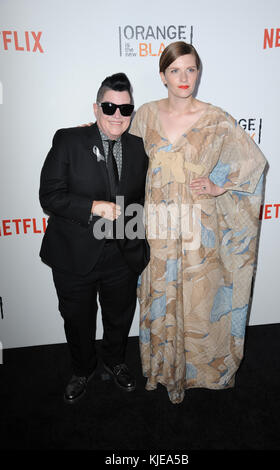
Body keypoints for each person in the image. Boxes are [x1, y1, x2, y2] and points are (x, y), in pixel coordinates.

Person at [130, 41, 266, 404]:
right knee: (161, 297)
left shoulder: (215, 118)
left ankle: (201, 372)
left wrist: (220, 186)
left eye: (191, 69)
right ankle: (163, 370)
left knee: (199, 301)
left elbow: (252, 163)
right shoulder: (144, 115)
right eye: (175, 70)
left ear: (198, 72)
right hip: (157, 227)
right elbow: (123, 158)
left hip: (198, 229)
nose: (184, 77)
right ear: (162, 76)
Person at [39, 73, 149, 404]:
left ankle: (115, 362)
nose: (117, 115)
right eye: (109, 107)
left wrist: (139, 246)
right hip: (75, 255)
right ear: (96, 107)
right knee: (77, 319)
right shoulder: (69, 140)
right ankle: (82, 369)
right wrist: (92, 207)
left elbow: (143, 199)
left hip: (122, 254)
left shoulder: (140, 148)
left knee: (119, 317)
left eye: (125, 108)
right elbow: (50, 196)